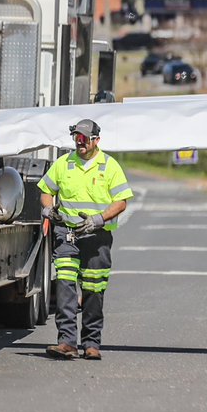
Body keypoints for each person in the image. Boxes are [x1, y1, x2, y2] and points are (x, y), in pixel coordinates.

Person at [37, 118, 133, 361]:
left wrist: (98, 220)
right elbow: (46, 191)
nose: (79, 143)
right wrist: (48, 210)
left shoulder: (109, 166)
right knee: (65, 286)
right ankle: (67, 342)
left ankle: (91, 343)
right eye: (76, 138)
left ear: (96, 141)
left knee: (93, 290)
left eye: (84, 139)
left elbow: (121, 201)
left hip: (96, 238)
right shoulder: (63, 163)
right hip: (67, 234)